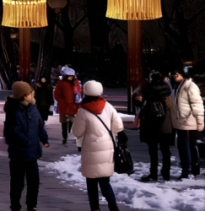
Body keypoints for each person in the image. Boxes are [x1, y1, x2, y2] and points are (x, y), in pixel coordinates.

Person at [72, 80, 123, 211]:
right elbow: (119, 126)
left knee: (91, 183)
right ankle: (113, 206)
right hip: (107, 148)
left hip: (91, 150)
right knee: (105, 182)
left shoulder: (83, 110)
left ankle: (95, 208)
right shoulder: (108, 106)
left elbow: (77, 132)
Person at [4, 81, 49, 211]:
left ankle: (31, 205)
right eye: (29, 93)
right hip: (18, 153)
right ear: (22, 95)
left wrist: (44, 139)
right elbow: (12, 132)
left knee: (34, 181)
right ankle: (15, 205)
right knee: (17, 182)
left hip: (32, 152)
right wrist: (26, 141)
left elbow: (39, 125)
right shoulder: (13, 110)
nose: (32, 94)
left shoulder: (33, 108)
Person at [135, 72, 173, 182]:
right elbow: (171, 107)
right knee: (165, 151)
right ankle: (166, 173)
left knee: (153, 151)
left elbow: (141, 106)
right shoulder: (167, 91)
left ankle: (153, 173)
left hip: (151, 125)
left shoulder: (147, 91)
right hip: (165, 124)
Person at [170, 66, 203, 179]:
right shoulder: (178, 86)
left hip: (188, 121)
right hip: (181, 122)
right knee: (184, 146)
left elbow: (197, 105)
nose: (175, 76)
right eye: (174, 74)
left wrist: (200, 122)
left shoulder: (190, 86)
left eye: (176, 74)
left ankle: (188, 170)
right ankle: (190, 169)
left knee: (187, 146)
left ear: (181, 74)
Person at [54, 67, 81, 145]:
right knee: (64, 123)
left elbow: (79, 92)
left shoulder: (75, 82)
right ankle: (65, 137)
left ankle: (70, 133)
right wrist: (62, 101)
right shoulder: (61, 83)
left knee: (72, 121)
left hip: (73, 106)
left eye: (72, 76)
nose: (71, 77)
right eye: (69, 76)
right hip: (64, 106)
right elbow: (57, 94)